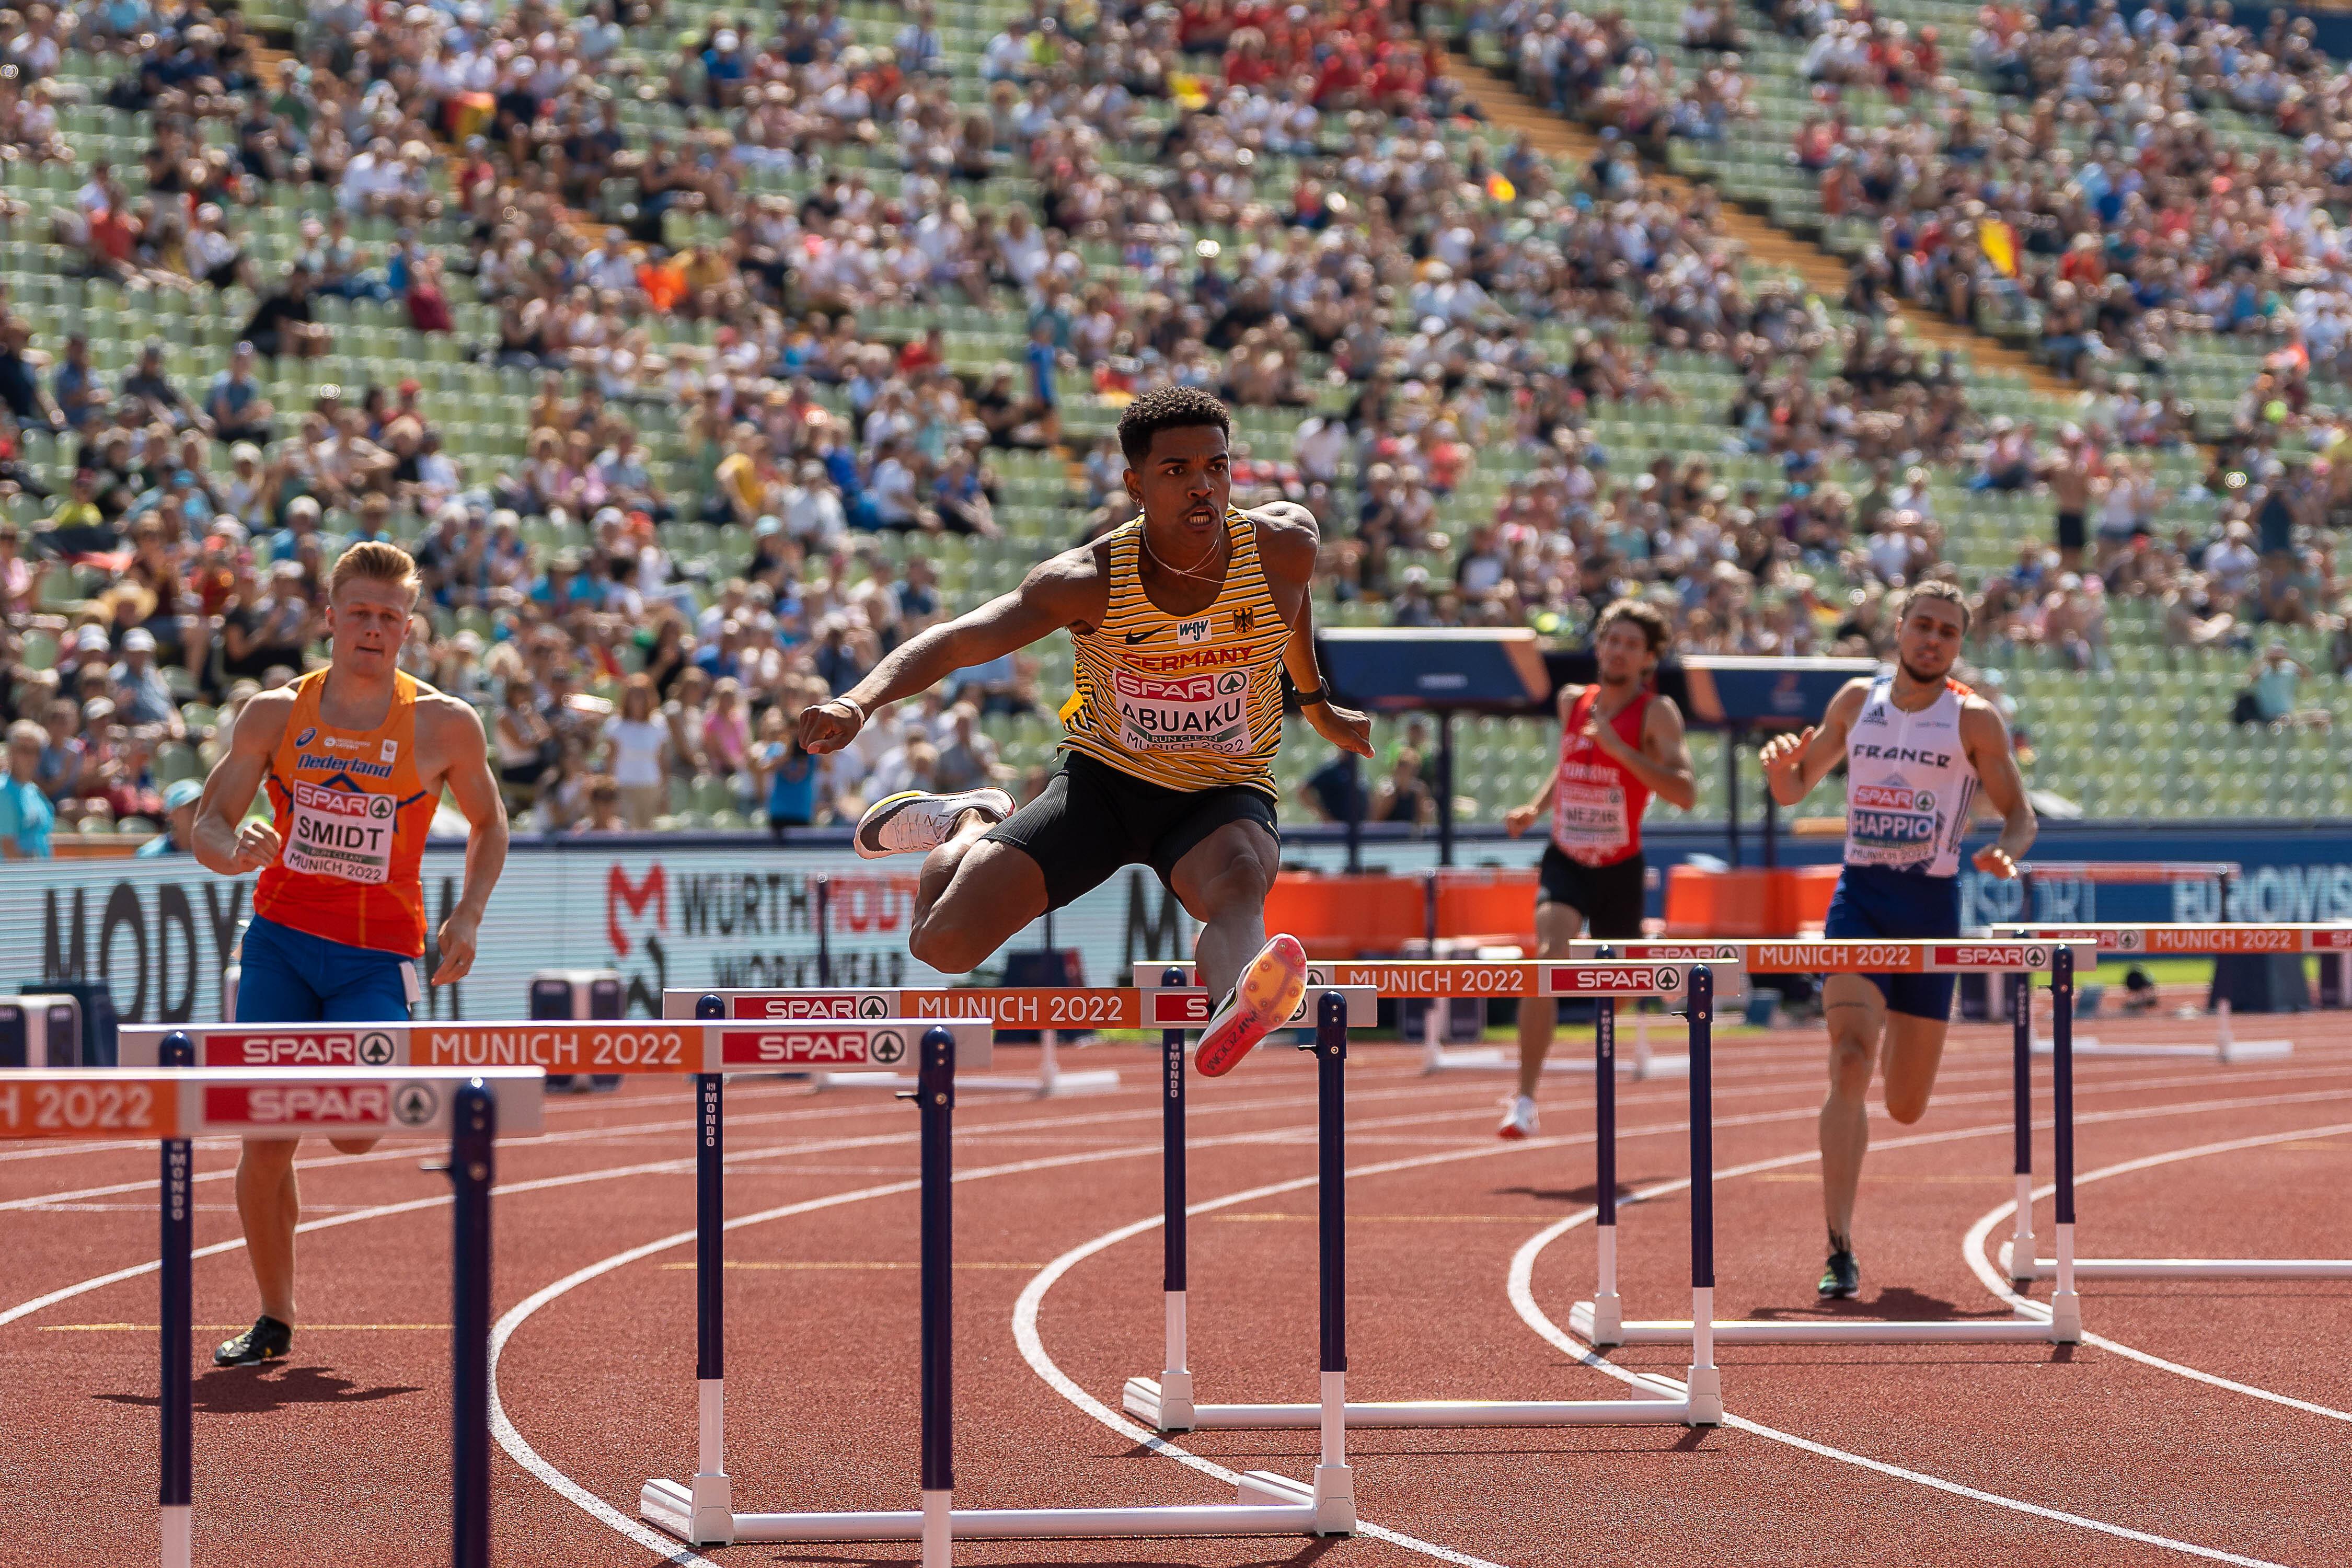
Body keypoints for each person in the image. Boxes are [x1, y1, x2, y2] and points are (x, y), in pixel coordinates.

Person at [799, 386, 1373, 1076]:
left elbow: (1291, 605)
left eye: (1216, 468)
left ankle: (1234, 1006)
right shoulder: (1085, 582)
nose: (1203, 489)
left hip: (1221, 788)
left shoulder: (1281, 544)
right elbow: (955, 643)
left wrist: (1315, 704)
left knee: (1243, 876)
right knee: (943, 947)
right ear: (1135, 484)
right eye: (1177, 471)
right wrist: (858, 703)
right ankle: (969, 825)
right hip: (1102, 787)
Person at [190, 541, 509, 1367]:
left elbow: (489, 822)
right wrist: (232, 849)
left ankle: (343, 1107)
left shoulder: (444, 724)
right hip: (281, 945)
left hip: (378, 954)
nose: (374, 629)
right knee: (266, 1137)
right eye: (360, 613)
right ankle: (275, 1317)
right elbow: (209, 822)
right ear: (330, 618)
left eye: (389, 617)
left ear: (410, 628)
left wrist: (468, 915)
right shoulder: (274, 714)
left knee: (358, 1130)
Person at [1759, 580, 2036, 1300]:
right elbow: (1796, 787)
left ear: (1959, 645)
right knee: (1850, 1059)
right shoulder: (1857, 702)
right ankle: (1840, 1245)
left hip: (1930, 908)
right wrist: (1778, 769)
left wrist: (2007, 850)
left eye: (1947, 631)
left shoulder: (1974, 721)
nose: (1932, 639)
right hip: (1861, 901)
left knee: (1907, 1104)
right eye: (1922, 625)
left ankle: (1888, 1077)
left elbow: (2020, 817)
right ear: (1899, 629)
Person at [1497, 599, 1696, 1138]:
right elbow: (1569, 765)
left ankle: (1643, 979)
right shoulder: (1572, 701)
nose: (1618, 651)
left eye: (1632, 645)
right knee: (1547, 957)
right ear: (1599, 644)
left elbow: (1685, 793)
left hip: (1619, 866)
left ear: (1649, 658)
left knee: (1622, 989)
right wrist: (1535, 809)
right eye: (1612, 639)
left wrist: (1617, 747)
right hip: (1566, 855)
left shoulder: (1657, 713)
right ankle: (1525, 1098)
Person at [1, 719, 56, 859]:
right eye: (24, 750)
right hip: (18, 878)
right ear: (11, 752)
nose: (31, 758)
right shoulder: (3, 792)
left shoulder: (33, 791)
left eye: (36, 751)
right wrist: (34, 878)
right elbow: (8, 848)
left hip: (38, 875)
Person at [138, 777, 204, 854]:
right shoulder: (150, 855)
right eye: (190, 806)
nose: (197, 810)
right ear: (171, 815)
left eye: (200, 804)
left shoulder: (214, 850)